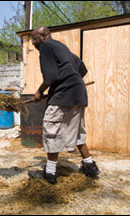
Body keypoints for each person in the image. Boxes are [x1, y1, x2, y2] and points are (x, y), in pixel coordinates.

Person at [28, 26, 99, 184]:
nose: (32, 43)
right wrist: (71, 82)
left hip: (63, 96)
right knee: (77, 131)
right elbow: (81, 68)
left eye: (34, 39)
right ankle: (90, 166)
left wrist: (39, 92)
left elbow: (51, 77)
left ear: (45, 36)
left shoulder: (46, 47)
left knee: (51, 130)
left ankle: (50, 174)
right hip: (78, 93)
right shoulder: (61, 46)